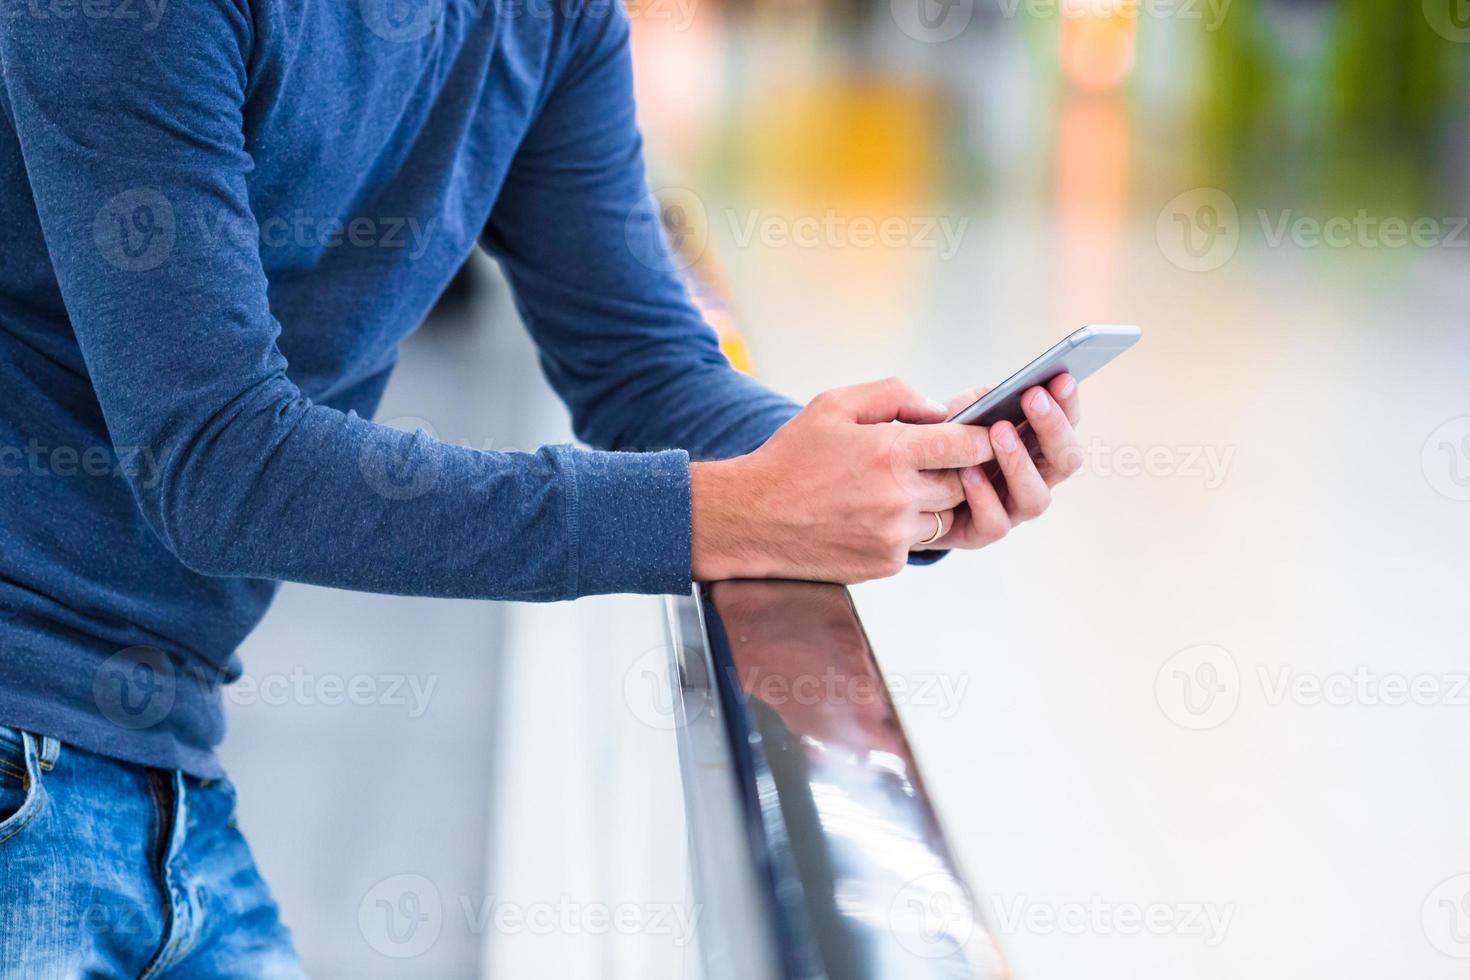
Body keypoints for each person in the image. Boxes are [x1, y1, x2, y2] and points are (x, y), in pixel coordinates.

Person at [0, 0, 1083, 972]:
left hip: (154, 778)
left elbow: (645, 367)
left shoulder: (549, 20)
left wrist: (904, 473)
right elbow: (225, 466)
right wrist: (726, 514)